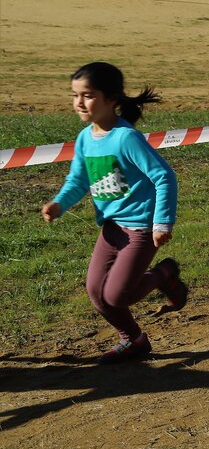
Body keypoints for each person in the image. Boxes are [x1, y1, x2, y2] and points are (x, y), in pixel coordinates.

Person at [41, 62, 186, 364]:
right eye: (75, 95)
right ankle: (133, 340)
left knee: (117, 296)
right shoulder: (84, 138)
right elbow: (78, 180)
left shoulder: (125, 138)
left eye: (88, 95)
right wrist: (59, 204)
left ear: (112, 99)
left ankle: (164, 274)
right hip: (112, 229)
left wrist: (162, 222)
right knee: (97, 293)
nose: (79, 103)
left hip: (141, 229)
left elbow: (164, 177)